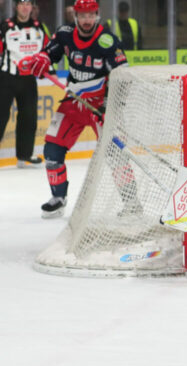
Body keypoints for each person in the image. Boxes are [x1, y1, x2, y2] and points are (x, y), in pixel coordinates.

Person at [28, 0, 128, 218]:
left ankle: (131, 203)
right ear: (75, 16)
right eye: (82, 16)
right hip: (74, 101)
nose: (86, 20)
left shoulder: (107, 40)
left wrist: (111, 104)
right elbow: (49, 53)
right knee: (52, 150)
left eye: (90, 15)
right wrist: (42, 58)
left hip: (100, 102)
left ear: (97, 15)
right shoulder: (64, 34)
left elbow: (123, 77)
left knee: (115, 154)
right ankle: (58, 198)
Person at [0, 0, 49, 168]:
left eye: (28, 4)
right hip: (7, 77)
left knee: (29, 117)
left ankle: (24, 154)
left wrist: (47, 68)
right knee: (1, 116)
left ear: (32, 7)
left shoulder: (39, 27)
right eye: (22, 4)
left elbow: (46, 51)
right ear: (16, 7)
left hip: (28, 79)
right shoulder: (6, 26)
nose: (25, 7)